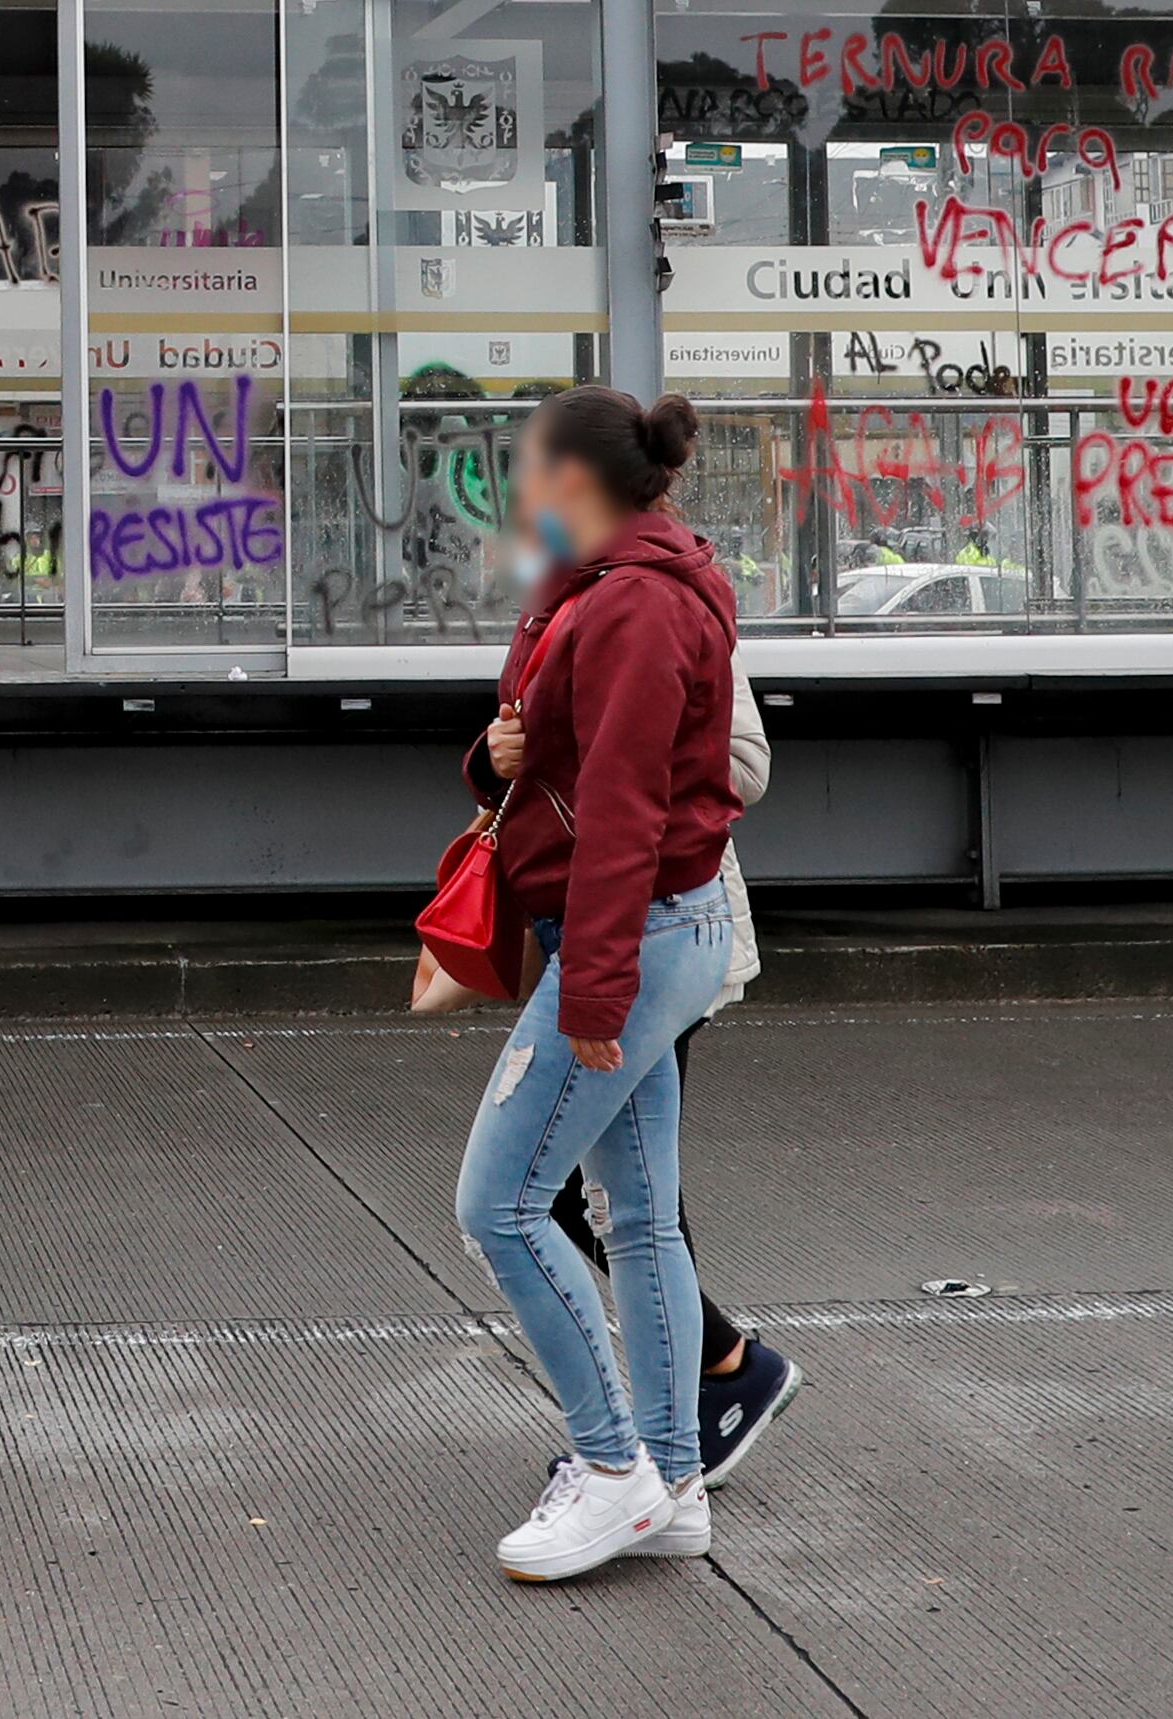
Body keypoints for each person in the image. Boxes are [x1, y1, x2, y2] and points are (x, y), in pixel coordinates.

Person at [450, 383, 742, 1582]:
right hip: (651, 931)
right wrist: (492, 758)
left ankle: (613, 1467)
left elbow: (624, 813)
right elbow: (543, 750)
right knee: (641, 1214)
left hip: (629, 935)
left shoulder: (630, 605)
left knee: (500, 1205)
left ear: (574, 478)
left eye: (529, 468)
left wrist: (594, 998)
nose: (519, 491)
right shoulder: (606, 584)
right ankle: (671, 1481)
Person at [546, 670, 805, 1494]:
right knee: (607, 1186)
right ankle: (712, 1376)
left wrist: (615, 756)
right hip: (589, 936)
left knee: (586, 1188)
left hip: (665, 934)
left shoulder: (670, 610)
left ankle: (707, 1388)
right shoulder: (559, 616)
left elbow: (745, 765)